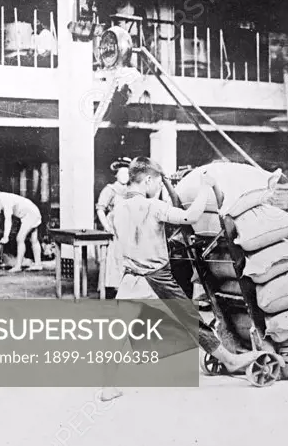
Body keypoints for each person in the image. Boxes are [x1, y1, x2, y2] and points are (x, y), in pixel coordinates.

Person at [99, 157, 265, 401]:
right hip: (157, 277)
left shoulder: (117, 209)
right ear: (147, 180)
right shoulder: (153, 207)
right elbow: (191, 216)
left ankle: (107, 386)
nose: (158, 188)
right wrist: (205, 188)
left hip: (131, 276)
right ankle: (229, 361)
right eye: (157, 183)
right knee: (192, 320)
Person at [0, 187, 43, 272]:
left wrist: (6, 237)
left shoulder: (4, 198)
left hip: (31, 213)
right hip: (29, 213)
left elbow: (8, 219)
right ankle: (38, 264)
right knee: (33, 239)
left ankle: (18, 266)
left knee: (20, 238)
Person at [96, 158, 131, 298]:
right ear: (116, 175)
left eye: (127, 174)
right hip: (114, 230)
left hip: (128, 229)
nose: (125, 176)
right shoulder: (110, 189)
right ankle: (112, 288)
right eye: (122, 173)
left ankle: (127, 288)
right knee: (114, 258)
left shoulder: (131, 190)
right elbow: (100, 209)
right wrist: (107, 227)